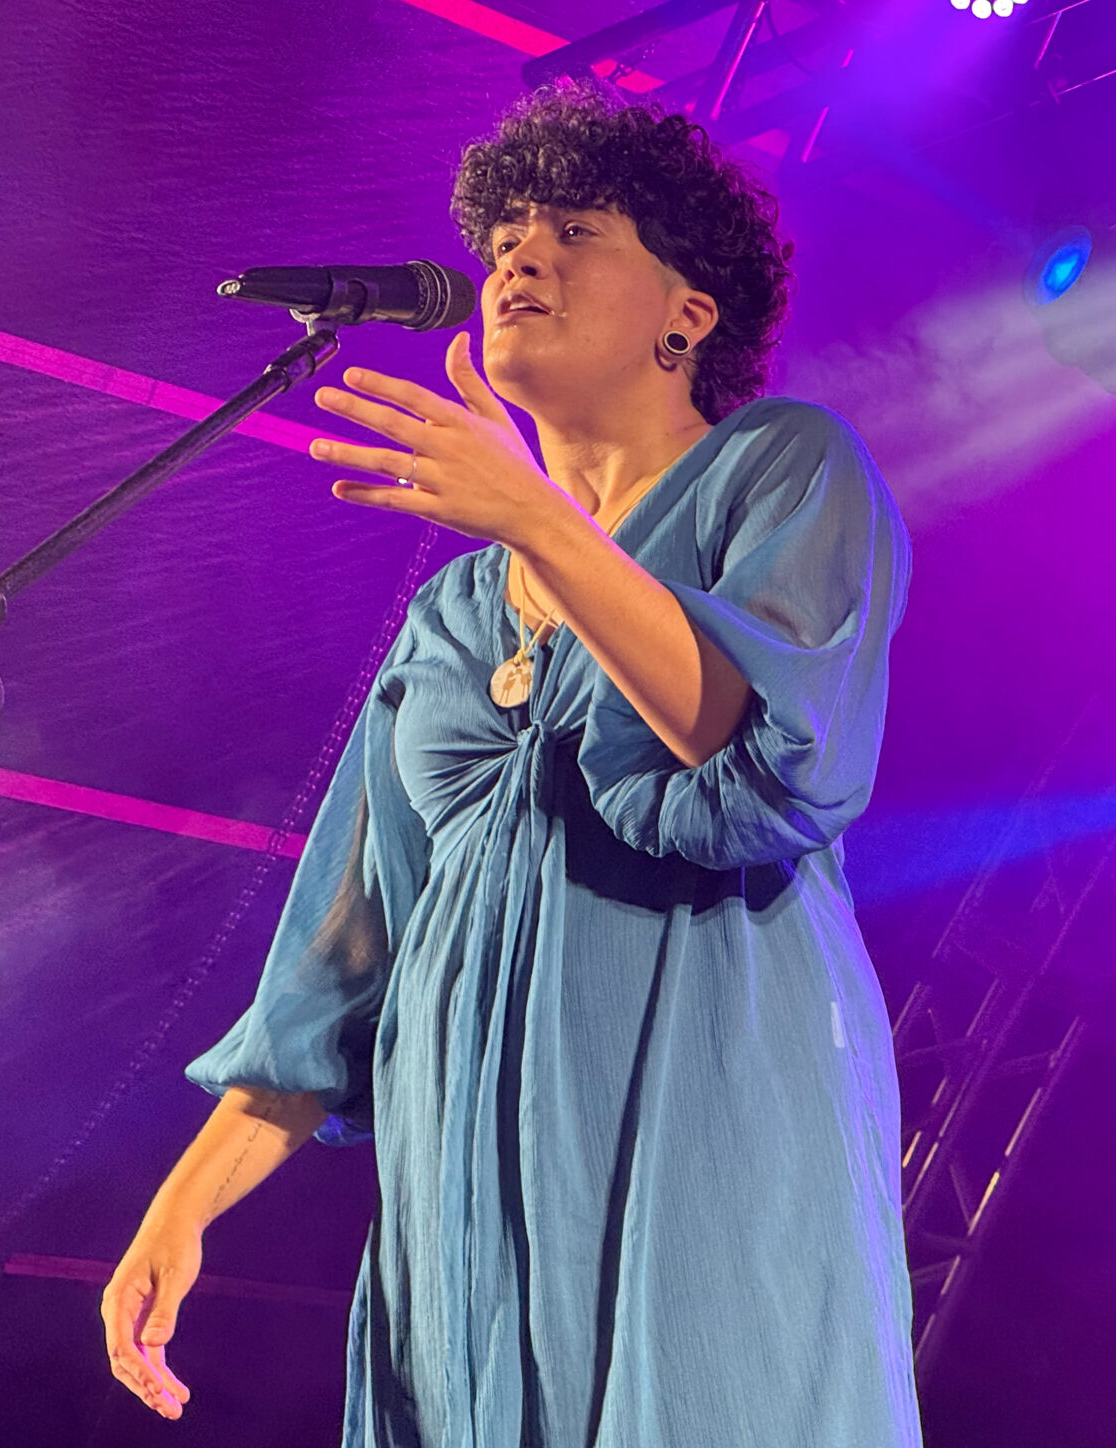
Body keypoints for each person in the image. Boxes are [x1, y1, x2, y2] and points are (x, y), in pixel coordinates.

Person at [102, 80, 920, 1446]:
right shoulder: (453, 611)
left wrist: (541, 521)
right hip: (459, 1181)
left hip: (700, 1110)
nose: (518, 257)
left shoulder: (784, 466)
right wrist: (178, 1211)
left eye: (576, 230)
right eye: (503, 240)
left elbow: (765, 756)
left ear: (686, 316)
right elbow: (342, 957)